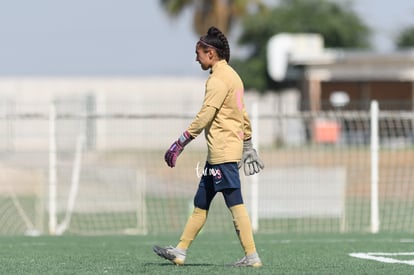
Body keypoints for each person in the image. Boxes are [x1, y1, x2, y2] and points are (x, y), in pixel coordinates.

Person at [153, 26, 264, 268]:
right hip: (217, 156)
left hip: (223, 154)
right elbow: (242, 114)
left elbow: (205, 115)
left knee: (235, 202)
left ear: (211, 53)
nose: (196, 58)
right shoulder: (234, 76)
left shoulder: (218, 79)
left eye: (198, 53)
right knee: (201, 201)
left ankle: (252, 256)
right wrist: (247, 142)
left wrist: (181, 141)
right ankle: (180, 251)